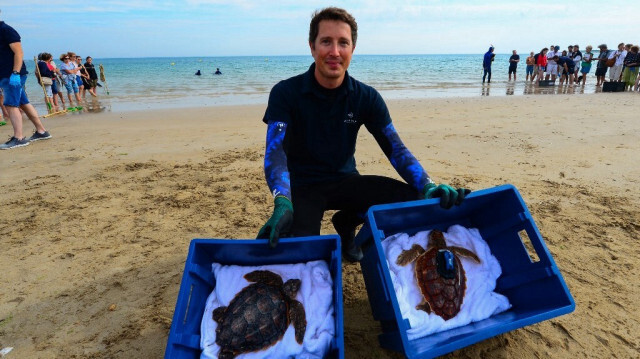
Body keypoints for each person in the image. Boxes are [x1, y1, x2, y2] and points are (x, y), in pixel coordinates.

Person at [256, 7, 470, 261]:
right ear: (312, 47)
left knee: (414, 199)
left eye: (343, 43)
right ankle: (311, 225)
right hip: (302, 188)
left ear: (352, 49)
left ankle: (347, 223)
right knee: (303, 254)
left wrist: (428, 185)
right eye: (326, 42)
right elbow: (275, 152)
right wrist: (282, 199)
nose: (335, 52)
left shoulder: (366, 97)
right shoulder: (285, 93)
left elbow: (396, 149)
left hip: (345, 181)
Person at [0, 19, 51, 149]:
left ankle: (19, 138)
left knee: (11, 105)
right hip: (6, 74)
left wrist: (15, 73)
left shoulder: (6, 30)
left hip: (12, 74)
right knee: (24, 102)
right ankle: (41, 131)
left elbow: (19, 52)